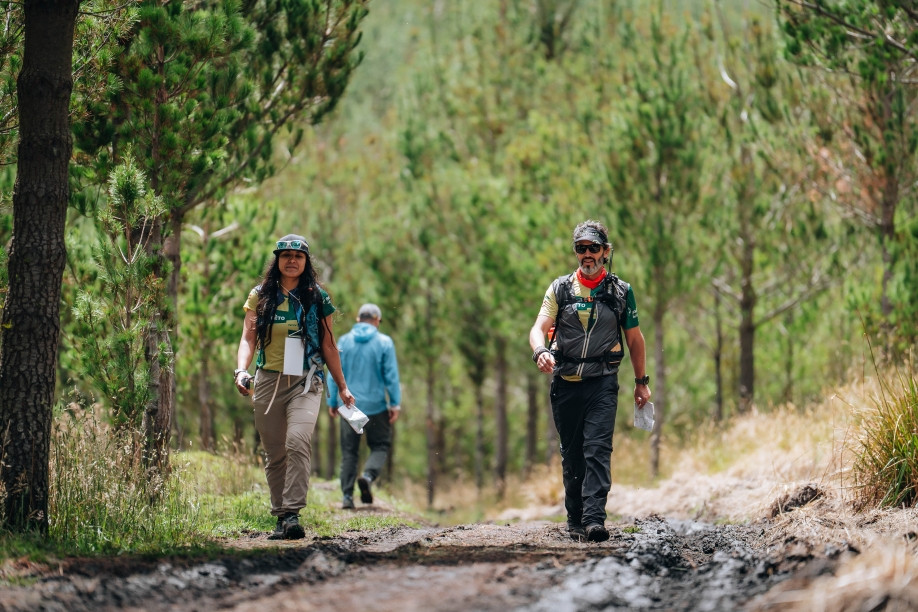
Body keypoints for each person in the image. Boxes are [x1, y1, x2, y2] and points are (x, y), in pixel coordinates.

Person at [528, 220, 651, 543]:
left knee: (597, 449)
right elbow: (538, 327)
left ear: (606, 252)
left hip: (602, 383)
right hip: (566, 383)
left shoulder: (621, 292)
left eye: (593, 248)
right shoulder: (560, 289)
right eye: (580, 248)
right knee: (573, 453)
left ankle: (595, 519)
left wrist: (642, 382)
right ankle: (574, 519)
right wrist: (540, 350)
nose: (586, 254)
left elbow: (636, 340)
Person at [234, 234, 355, 540]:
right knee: (275, 452)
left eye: (298, 256)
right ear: (277, 260)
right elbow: (248, 338)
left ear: (306, 262)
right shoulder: (260, 295)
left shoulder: (317, 297)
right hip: (268, 381)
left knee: (297, 440)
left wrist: (342, 386)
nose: (291, 260)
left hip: (306, 380)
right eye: (285, 255)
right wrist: (241, 370)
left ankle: (292, 513)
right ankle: (280, 515)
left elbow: (329, 344)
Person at [327, 303, 402, 509]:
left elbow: (334, 374)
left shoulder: (344, 342)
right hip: (377, 408)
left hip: (351, 408)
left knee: (350, 452)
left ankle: (347, 498)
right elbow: (391, 377)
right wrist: (395, 403)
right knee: (380, 446)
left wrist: (332, 401)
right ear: (377, 321)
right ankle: (368, 477)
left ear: (358, 320)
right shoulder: (384, 342)